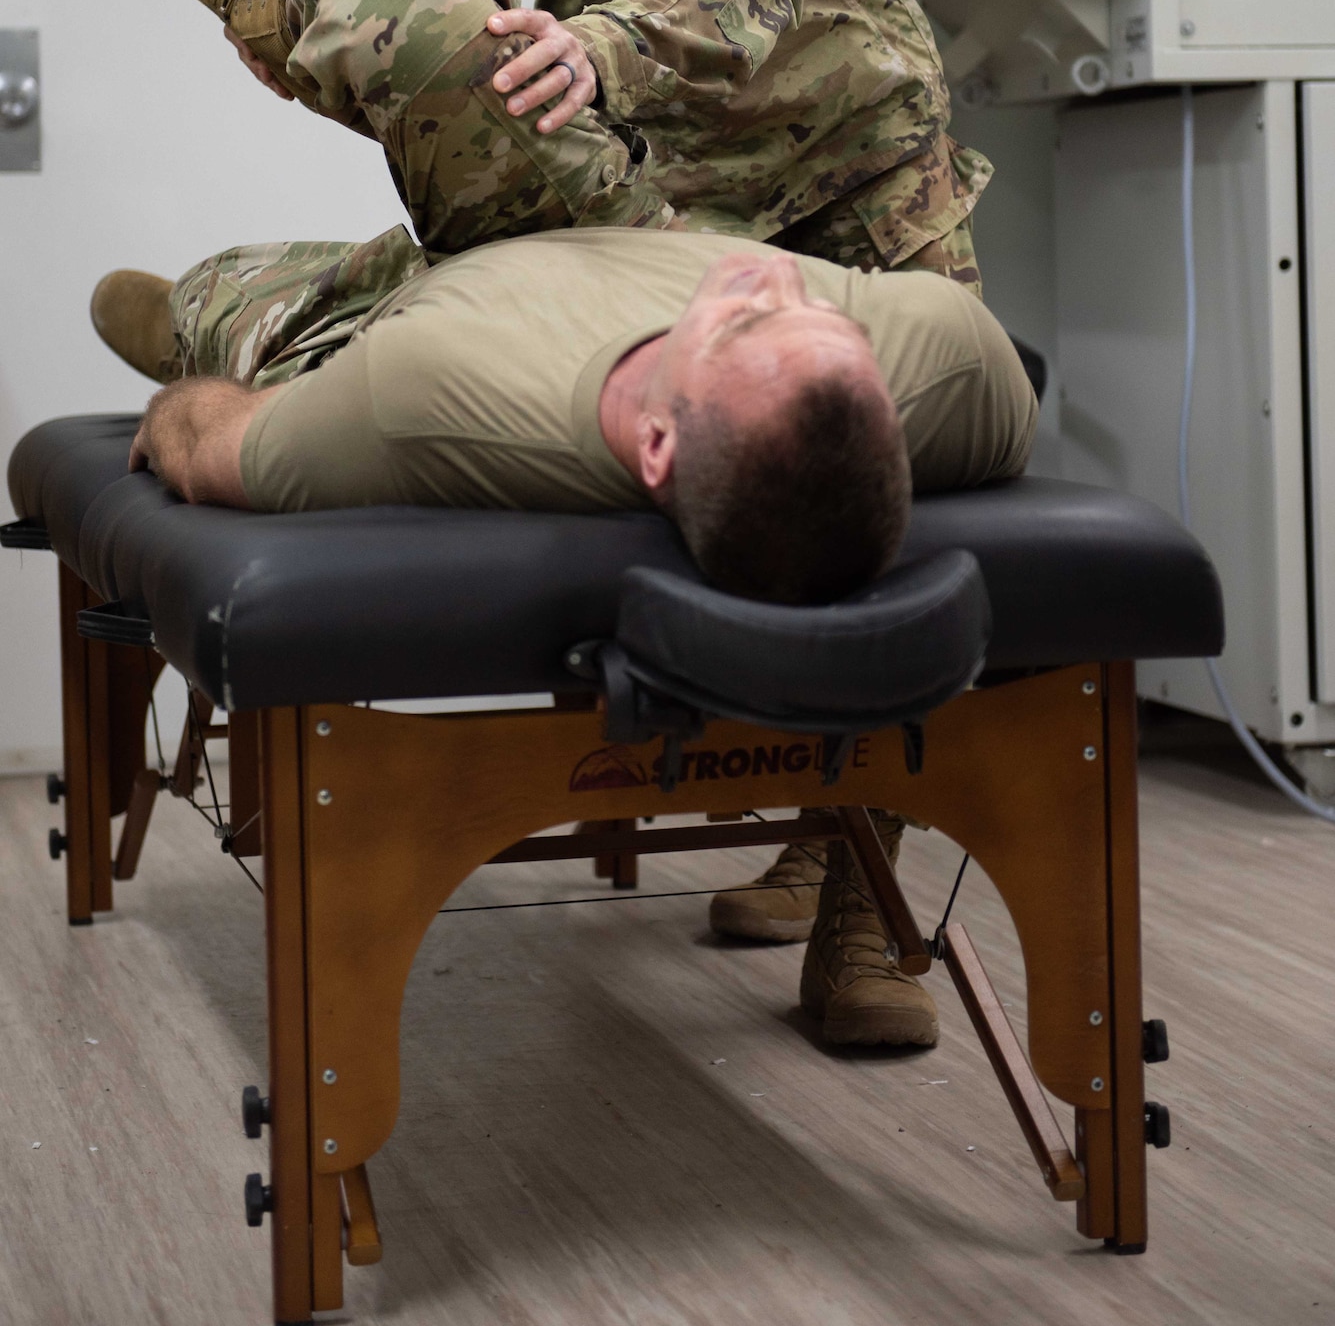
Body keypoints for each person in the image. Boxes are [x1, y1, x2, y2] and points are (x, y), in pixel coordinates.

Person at [106, 0, 999, 1044]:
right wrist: (318, 8)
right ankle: (271, 92)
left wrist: (590, 45)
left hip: (829, 153)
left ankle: (856, 899)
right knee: (407, 92)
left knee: (854, 512)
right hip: (604, 134)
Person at [102, 227, 1036, 1046]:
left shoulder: (424, 392)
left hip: (410, 283)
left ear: (659, 447)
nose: (769, 281)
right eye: (822, 310)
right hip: (643, 190)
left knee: (193, 311)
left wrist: (177, 406)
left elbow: (210, 446)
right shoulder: (950, 365)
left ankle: (203, 311)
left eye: (747, 327)